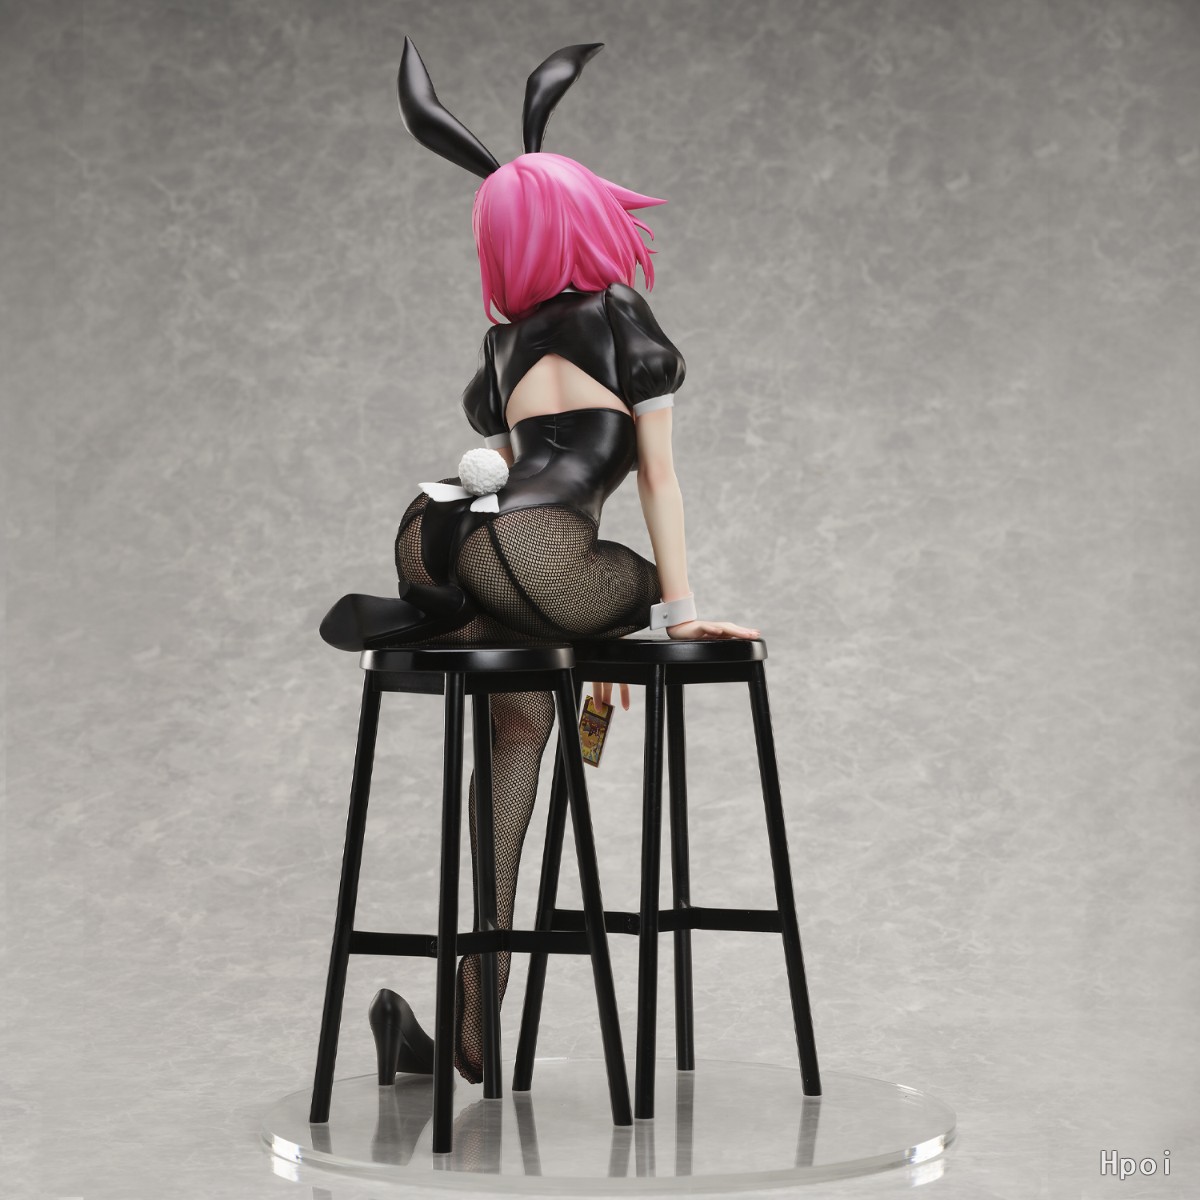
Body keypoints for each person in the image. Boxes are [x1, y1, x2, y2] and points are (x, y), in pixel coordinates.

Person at [372, 39, 759, 1086]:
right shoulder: (622, 317)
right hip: (541, 557)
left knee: (520, 726)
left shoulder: (503, 349)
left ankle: (466, 1019)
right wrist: (669, 614)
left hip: (443, 535)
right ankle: (585, 628)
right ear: (585, 218)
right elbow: (657, 479)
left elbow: (508, 465)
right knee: (622, 580)